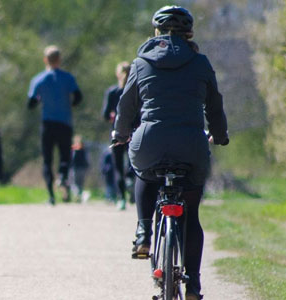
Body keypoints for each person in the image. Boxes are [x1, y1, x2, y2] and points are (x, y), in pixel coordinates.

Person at [111, 6, 229, 300]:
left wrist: (120, 134)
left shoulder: (140, 63)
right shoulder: (201, 63)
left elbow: (126, 106)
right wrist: (221, 134)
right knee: (192, 214)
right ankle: (194, 286)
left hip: (150, 143)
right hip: (191, 145)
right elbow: (214, 106)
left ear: (157, 33)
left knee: (143, 171)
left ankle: (143, 233)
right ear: (189, 34)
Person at [28, 45, 83, 205]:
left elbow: (30, 103)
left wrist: (40, 99)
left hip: (47, 124)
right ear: (59, 59)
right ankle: (63, 176)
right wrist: (69, 104)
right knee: (65, 155)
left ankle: (51, 196)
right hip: (64, 122)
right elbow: (78, 97)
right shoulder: (68, 78)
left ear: (45, 60)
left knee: (47, 159)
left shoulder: (38, 80)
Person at [102, 61, 134, 207]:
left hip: (116, 133)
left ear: (117, 74)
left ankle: (121, 198)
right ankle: (130, 180)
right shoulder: (135, 90)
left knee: (118, 167)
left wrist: (112, 116)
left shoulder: (112, 92)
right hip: (134, 132)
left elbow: (105, 115)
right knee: (134, 162)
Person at [70, 135, 89, 202]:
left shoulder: (74, 149)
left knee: (74, 184)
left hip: (75, 168)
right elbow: (86, 159)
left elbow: (72, 159)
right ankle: (80, 196)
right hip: (82, 169)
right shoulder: (84, 149)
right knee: (80, 184)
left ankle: (79, 195)